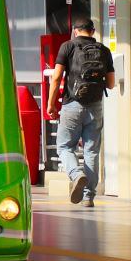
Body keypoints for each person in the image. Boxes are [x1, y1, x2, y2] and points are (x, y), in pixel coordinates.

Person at [48, 18, 115, 207]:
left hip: (72, 104)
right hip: (96, 105)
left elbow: (56, 78)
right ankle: (88, 197)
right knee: (91, 151)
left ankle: (77, 175)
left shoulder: (67, 47)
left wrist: (51, 104)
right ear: (92, 31)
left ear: (75, 31)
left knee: (64, 147)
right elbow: (110, 83)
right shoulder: (104, 50)